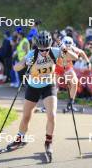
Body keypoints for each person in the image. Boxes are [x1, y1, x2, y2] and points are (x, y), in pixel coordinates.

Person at [10, 30, 78, 159]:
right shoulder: (32, 54)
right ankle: (20, 138)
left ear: (50, 45)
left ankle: (48, 141)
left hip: (49, 86)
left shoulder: (55, 51)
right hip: (33, 87)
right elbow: (16, 68)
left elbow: (75, 57)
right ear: (37, 47)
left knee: (51, 115)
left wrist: (64, 50)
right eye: (41, 50)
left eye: (46, 49)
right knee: (26, 117)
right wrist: (25, 64)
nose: (44, 52)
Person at [55, 36, 91, 111]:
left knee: (74, 83)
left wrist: (88, 62)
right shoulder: (58, 48)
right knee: (55, 86)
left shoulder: (74, 49)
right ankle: (50, 103)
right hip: (58, 67)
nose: (68, 48)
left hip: (68, 67)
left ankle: (70, 104)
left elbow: (82, 52)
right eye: (66, 47)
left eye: (70, 47)